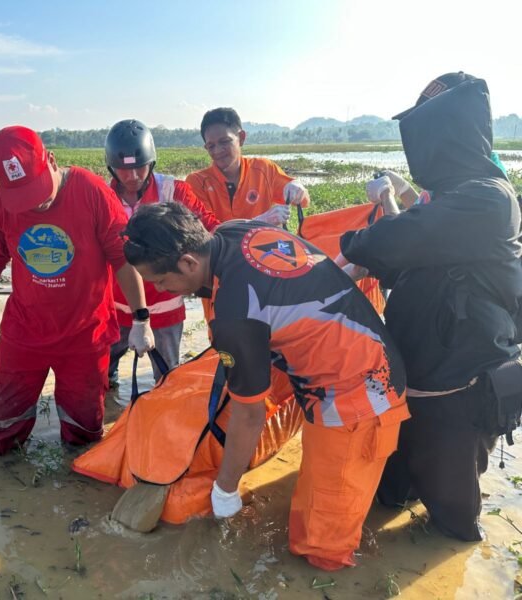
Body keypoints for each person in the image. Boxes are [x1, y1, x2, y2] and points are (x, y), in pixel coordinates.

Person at [122, 201, 408, 570]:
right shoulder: (235, 231)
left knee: (320, 548)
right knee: (311, 507)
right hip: (356, 358)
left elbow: (249, 415)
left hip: (359, 394)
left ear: (189, 263)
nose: (161, 289)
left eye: (161, 281)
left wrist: (225, 489)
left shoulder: (236, 314)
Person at [337, 73, 522, 542]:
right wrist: (391, 200)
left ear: (449, 135)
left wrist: (349, 246)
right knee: (389, 494)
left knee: (452, 520)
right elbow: (406, 260)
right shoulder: (449, 203)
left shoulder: (488, 199)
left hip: (459, 394)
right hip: (411, 386)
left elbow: (403, 239)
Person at [0, 126, 155, 454]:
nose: (37, 204)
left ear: (51, 160)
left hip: (84, 336)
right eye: (23, 197)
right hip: (25, 333)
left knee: (84, 433)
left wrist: (141, 318)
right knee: (3, 429)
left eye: (39, 190)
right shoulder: (0, 206)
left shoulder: (90, 191)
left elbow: (122, 258)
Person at [104, 119, 220, 390]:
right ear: (111, 167)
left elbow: (209, 228)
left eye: (139, 168)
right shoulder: (102, 196)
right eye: (124, 170)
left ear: (151, 162)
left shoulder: (173, 191)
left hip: (165, 308)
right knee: (102, 380)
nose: (132, 177)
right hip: (115, 309)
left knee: (167, 381)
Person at [186, 107, 310, 225]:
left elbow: (303, 201)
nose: (217, 151)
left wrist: (298, 188)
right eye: (211, 146)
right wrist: (259, 222)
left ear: (241, 138)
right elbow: (206, 233)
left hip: (264, 245)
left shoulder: (264, 169)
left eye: (224, 142)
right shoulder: (197, 182)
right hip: (220, 247)